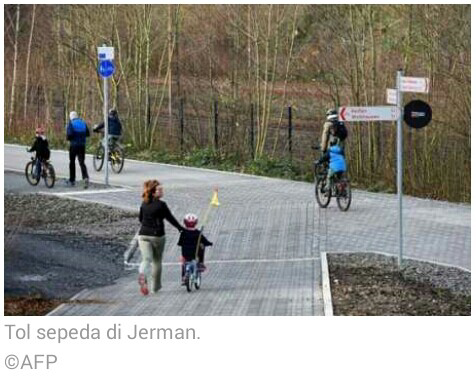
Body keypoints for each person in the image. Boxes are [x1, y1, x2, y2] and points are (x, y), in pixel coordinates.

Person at [138, 180, 184, 296]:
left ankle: (142, 273)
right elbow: (170, 218)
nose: (162, 191)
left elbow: (140, 219)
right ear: (153, 192)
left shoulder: (143, 203)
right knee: (157, 261)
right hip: (157, 235)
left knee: (146, 259)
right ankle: (155, 287)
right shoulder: (161, 205)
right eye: (159, 190)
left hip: (143, 235)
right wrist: (180, 228)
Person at [178, 213, 213, 284]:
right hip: (195, 253)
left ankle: (184, 277)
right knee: (202, 246)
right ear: (196, 223)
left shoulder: (183, 233)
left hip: (185, 253)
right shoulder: (198, 233)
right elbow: (205, 241)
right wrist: (209, 243)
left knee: (184, 264)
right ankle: (200, 263)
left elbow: (180, 243)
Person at [66, 111, 90, 188]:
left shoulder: (71, 123)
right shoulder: (83, 123)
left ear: (71, 117)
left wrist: (69, 139)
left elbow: (69, 135)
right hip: (82, 145)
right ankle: (85, 177)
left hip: (73, 145)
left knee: (72, 162)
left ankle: (72, 180)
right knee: (82, 162)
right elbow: (88, 134)